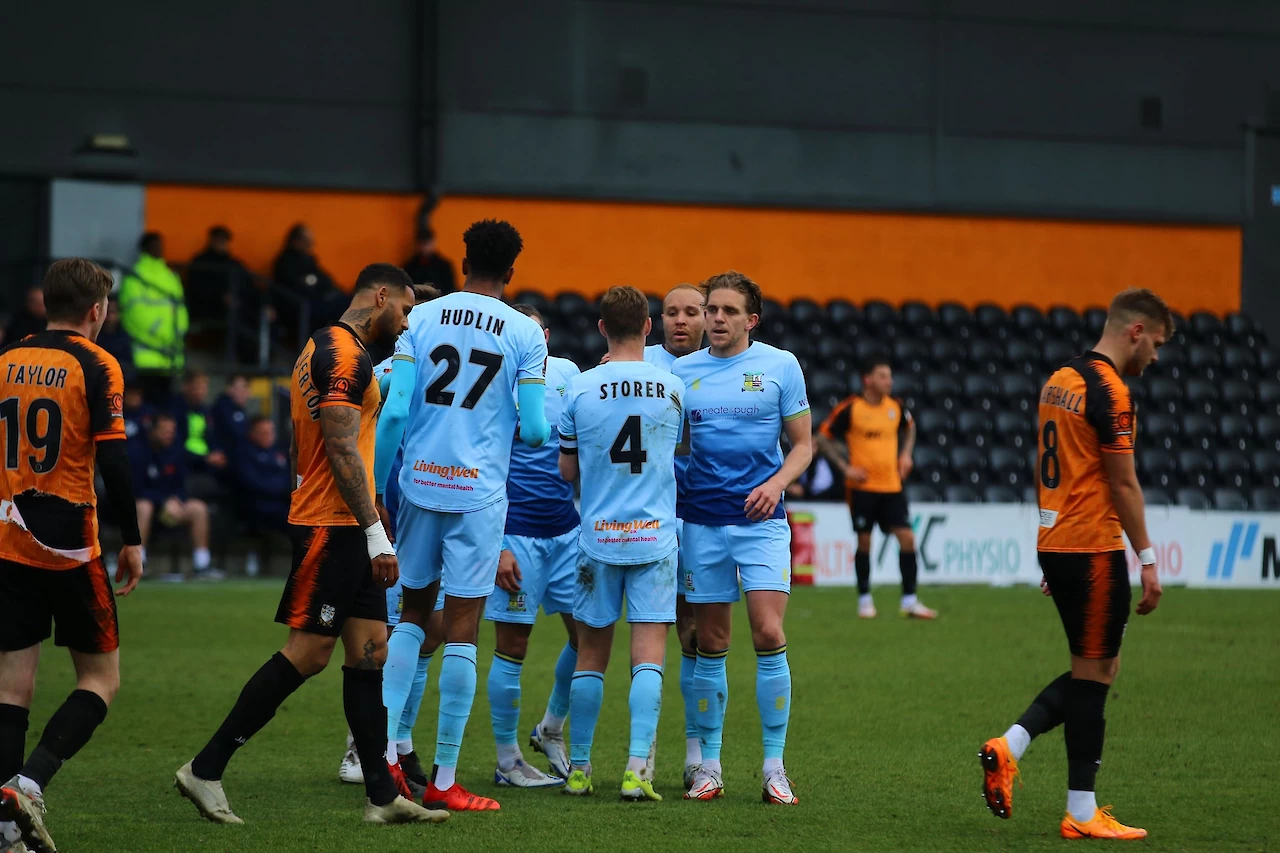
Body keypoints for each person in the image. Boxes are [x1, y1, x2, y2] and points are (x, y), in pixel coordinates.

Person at [173, 263, 446, 826]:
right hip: (333, 524)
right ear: (380, 296)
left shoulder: (322, 345)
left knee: (370, 653)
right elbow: (341, 449)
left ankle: (380, 795)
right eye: (406, 310)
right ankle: (205, 768)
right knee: (308, 652)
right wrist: (374, 532)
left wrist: (372, 508)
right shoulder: (345, 357)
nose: (407, 323)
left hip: (346, 518)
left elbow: (348, 448)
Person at [979, 289, 1168, 841]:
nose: (1155, 356)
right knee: (1096, 675)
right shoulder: (1110, 389)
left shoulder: (1059, 378)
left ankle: (1011, 748)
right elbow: (1122, 481)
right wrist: (1149, 560)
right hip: (1092, 547)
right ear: (1136, 331)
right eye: (1155, 343)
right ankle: (1080, 811)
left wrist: (1056, 548)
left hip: (1059, 542)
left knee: (1094, 669)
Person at [375, 219, 550, 813]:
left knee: (412, 616)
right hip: (477, 494)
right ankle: (445, 777)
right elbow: (532, 429)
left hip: (417, 485)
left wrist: (378, 489)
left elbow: (395, 411)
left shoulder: (419, 319)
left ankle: (386, 761)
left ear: (464, 258)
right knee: (463, 628)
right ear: (511, 271)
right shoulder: (526, 333)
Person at [0, 258, 144, 853]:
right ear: (95, 310)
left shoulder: (5, 360)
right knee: (101, 678)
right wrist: (131, 537)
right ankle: (29, 786)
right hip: (67, 539)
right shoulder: (97, 362)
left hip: (7, 535)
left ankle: (6, 826)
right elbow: (113, 459)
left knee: (12, 687)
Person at [671, 271, 811, 805]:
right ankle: (709, 766)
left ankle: (774, 767)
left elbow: (803, 446)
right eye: (712, 310)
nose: (717, 319)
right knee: (711, 644)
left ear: (751, 319)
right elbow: (674, 450)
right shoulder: (682, 374)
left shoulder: (780, 366)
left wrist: (775, 485)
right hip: (701, 522)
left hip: (762, 525)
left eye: (729, 311)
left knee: (769, 634)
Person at [555, 286, 685, 801]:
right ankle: (635, 771)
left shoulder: (581, 390)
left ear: (602, 327)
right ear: (649, 327)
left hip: (598, 538)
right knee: (648, 655)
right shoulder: (674, 387)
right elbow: (676, 453)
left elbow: (568, 471)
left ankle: (581, 770)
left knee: (590, 654)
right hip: (654, 538)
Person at [337, 283, 441, 794]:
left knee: (423, 633)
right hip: (395, 522)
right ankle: (367, 744)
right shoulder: (388, 375)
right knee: (396, 632)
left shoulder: (426, 372)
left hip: (424, 517)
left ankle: (396, 741)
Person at [486, 304, 580, 788]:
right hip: (517, 533)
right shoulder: (493, 382)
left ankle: (550, 728)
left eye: (539, 333)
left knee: (588, 637)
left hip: (568, 532)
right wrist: (497, 544)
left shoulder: (569, 374)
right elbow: (482, 463)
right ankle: (508, 762)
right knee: (513, 646)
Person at [641, 282, 706, 787]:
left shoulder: (724, 370)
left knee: (694, 634)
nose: (680, 320)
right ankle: (559, 732)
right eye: (671, 312)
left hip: (698, 519)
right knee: (588, 635)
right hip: (639, 523)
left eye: (692, 312)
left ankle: (694, 754)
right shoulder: (633, 363)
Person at [816, 359, 936, 620]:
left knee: (908, 538)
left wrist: (905, 455)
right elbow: (823, 437)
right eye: (883, 376)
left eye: (890, 377)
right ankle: (864, 599)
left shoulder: (896, 407)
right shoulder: (851, 408)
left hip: (892, 486)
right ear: (867, 380)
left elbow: (911, 427)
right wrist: (845, 467)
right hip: (862, 487)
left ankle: (910, 600)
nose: (889, 382)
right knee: (865, 541)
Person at [128, 413, 220, 581]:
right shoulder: (137, 451)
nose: (169, 435)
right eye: (164, 431)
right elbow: (136, 489)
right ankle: (138, 563)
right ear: (153, 431)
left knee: (198, 508)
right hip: (145, 510)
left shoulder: (175, 451)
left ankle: (202, 564)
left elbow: (181, 485)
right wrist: (163, 501)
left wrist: (177, 500)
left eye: (171, 432)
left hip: (171, 509)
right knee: (144, 506)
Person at [119, 233, 189, 401]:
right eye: (155, 244)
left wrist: (177, 332)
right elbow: (134, 315)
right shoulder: (135, 275)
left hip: (171, 356)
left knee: (167, 407)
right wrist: (160, 332)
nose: (160, 248)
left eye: (161, 244)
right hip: (146, 357)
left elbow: (180, 310)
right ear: (145, 248)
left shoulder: (170, 276)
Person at [186, 226, 268, 332]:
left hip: (239, 306)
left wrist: (265, 303)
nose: (222, 243)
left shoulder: (234, 263)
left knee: (261, 315)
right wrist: (221, 297)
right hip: (211, 308)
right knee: (240, 318)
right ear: (211, 240)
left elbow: (251, 286)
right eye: (219, 239)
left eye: (224, 239)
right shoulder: (201, 262)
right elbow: (197, 288)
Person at [272, 224, 344, 333]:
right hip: (299, 307)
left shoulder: (309, 260)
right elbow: (299, 286)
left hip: (318, 302)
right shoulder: (286, 262)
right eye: (307, 242)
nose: (310, 246)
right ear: (296, 241)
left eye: (311, 242)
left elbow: (325, 281)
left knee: (347, 302)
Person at [234, 416, 291, 533]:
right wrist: (283, 488)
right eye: (263, 433)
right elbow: (254, 483)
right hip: (259, 506)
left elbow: (289, 476)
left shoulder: (277, 452)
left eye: (270, 432)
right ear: (252, 434)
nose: (268, 436)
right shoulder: (244, 454)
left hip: (284, 502)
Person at [171, 370, 227, 476]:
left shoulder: (205, 411)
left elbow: (213, 437)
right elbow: (174, 445)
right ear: (185, 387)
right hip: (185, 463)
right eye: (197, 387)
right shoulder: (175, 410)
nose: (201, 391)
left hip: (206, 462)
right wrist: (203, 458)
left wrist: (217, 453)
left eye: (204, 387)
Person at [210, 374, 251, 470]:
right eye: (241, 388)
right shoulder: (221, 409)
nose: (245, 393)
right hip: (226, 464)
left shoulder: (241, 410)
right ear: (229, 388)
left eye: (247, 388)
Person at [401, 228, 457, 295]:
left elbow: (450, 290)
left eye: (427, 243)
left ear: (434, 242)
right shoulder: (410, 266)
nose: (424, 247)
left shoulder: (444, 266)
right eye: (421, 244)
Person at [95, 298, 136, 384]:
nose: (110, 317)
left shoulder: (124, 338)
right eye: (108, 312)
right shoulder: (95, 336)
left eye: (113, 312)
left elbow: (129, 370)